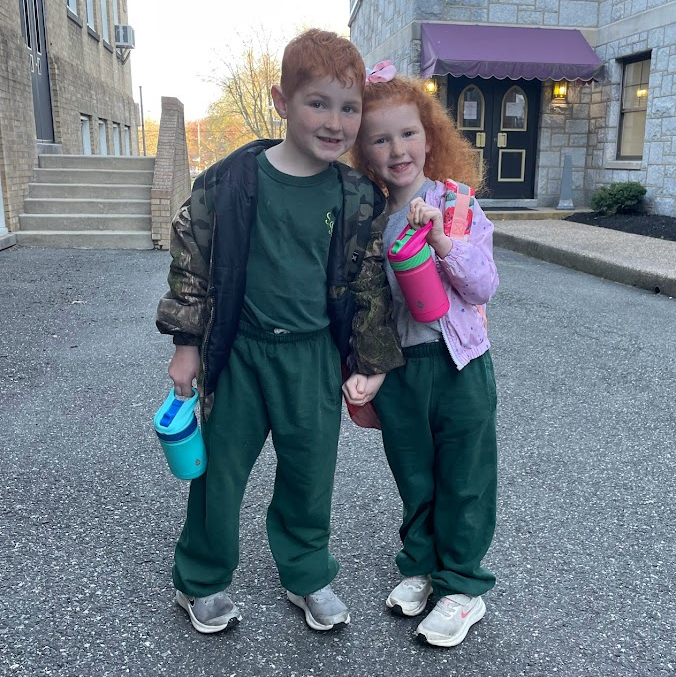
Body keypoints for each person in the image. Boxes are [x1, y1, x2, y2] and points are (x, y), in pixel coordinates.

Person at [155, 30, 403, 635]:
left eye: (349, 108)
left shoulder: (355, 197)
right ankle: (201, 578)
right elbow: (191, 260)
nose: (335, 122)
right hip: (238, 353)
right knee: (219, 472)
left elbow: (370, 282)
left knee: (310, 473)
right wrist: (187, 345)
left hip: (312, 357)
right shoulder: (229, 182)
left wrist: (368, 359)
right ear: (280, 100)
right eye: (318, 103)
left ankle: (307, 572)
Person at [344, 68, 499, 648]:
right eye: (380, 140)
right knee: (413, 473)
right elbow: (369, 303)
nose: (397, 150)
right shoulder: (369, 222)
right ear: (365, 151)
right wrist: (365, 366)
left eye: (408, 134)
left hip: (461, 365)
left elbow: (483, 286)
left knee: (464, 475)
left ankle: (462, 587)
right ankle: (422, 565)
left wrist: (441, 242)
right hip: (402, 369)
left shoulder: (455, 205)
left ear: (429, 136)